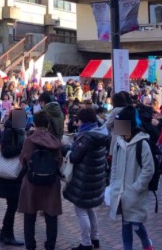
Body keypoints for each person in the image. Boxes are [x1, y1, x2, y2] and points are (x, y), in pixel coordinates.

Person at [108, 105, 155, 250]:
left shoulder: (142, 143)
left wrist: (137, 187)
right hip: (121, 191)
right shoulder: (118, 143)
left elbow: (149, 169)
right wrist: (113, 184)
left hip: (134, 193)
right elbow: (114, 166)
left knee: (135, 223)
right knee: (126, 223)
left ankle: (146, 243)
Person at [63, 107, 108, 250]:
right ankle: (95, 238)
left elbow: (75, 156)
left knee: (81, 210)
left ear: (84, 121)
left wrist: (66, 149)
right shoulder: (100, 132)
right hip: (95, 178)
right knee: (89, 209)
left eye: (79, 120)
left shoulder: (87, 137)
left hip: (84, 179)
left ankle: (85, 243)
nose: (77, 123)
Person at [18, 110, 63, 250]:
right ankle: (50, 245)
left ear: (35, 123)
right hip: (50, 183)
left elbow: (23, 160)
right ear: (48, 123)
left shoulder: (29, 140)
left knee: (29, 215)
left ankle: (30, 245)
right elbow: (59, 161)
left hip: (32, 182)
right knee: (51, 215)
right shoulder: (55, 141)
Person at [0, 109, 26, 247]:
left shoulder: (18, 130)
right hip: (9, 175)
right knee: (12, 206)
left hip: (15, 174)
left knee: (12, 206)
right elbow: (6, 152)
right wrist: (22, 147)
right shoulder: (9, 131)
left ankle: (6, 233)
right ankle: (8, 234)